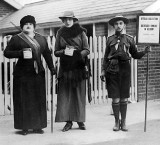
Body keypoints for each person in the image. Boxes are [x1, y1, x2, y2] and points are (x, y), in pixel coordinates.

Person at [4, 15, 56, 135]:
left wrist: (52, 67)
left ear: (34, 26)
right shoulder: (16, 39)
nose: (28, 25)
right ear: (22, 26)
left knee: (38, 100)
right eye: (25, 24)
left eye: (30, 24)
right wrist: (19, 53)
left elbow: (47, 54)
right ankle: (25, 127)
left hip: (38, 73)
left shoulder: (41, 39)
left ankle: (38, 126)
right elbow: (7, 53)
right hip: (22, 75)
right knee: (24, 100)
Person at [100, 15, 150, 132]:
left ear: (124, 25)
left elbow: (135, 54)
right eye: (116, 24)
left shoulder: (129, 39)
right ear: (113, 26)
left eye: (121, 23)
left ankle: (124, 122)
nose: (118, 25)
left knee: (123, 98)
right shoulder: (110, 39)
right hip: (112, 69)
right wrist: (103, 70)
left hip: (125, 70)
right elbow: (105, 57)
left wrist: (145, 52)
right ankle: (117, 122)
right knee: (115, 99)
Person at [54, 11, 90, 132]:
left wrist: (78, 55)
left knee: (79, 94)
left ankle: (80, 120)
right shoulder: (60, 33)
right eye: (65, 19)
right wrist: (64, 51)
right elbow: (56, 51)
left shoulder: (81, 32)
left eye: (70, 19)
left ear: (74, 20)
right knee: (65, 95)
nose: (68, 21)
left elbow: (87, 49)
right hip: (65, 68)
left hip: (78, 67)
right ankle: (68, 122)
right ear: (63, 21)